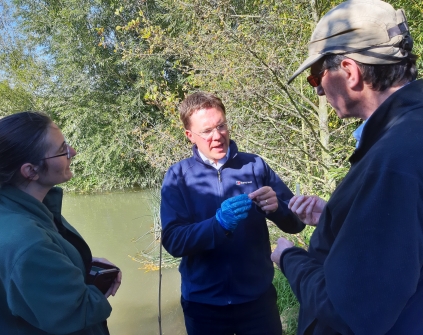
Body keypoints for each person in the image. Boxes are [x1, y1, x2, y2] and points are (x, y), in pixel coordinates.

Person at [271, 1, 423, 334]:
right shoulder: (410, 133)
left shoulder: (392, 158)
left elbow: (349, 313)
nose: (319, 90)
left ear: (350, 71)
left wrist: (289, 259)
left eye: (316, 77)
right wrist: (337, 217)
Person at [160, 92, 305, 335]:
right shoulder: (178, 177)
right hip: (203, 305)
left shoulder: (255, 166)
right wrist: (218, 225)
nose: (217, 136)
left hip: (257, 300)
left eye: (221, 126)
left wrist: (278, 209)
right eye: (206, 131)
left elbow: (296, 223)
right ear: (190, 136)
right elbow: (174, 241)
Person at [0, 112, 121, 334]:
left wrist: (83, 265)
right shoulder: (26, 241)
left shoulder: (24, 209)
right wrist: (99, 285)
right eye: (62, 150)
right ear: (30, 171)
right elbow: (77, 311)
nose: (72, 152)